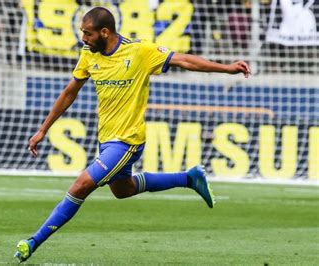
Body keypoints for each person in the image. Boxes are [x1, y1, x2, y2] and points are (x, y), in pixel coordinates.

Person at [14, 7, 251, 263]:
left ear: (105, 32)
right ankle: (189, 178)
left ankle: (33, 241)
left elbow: (184, 60)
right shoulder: (88, 54)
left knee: (80, 186)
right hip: (106, 140)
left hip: (127, 141)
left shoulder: (139, 51)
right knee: (123, 190)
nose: (83, 38)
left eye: (87, 33)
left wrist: (226, 69)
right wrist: (43, 129)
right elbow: (69, 92)